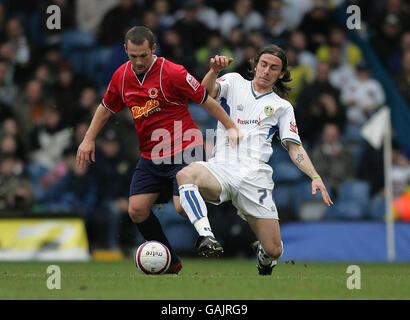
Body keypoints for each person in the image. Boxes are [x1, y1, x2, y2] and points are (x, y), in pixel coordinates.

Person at [76, 26, 241, 274]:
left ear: (153, 49)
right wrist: (88, 138)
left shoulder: (173, 72)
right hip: (151, 156)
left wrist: (231, 127)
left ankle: (211, 202)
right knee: (137, 210)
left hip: (186, 148)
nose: (139, 61)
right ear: (125, 51)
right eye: (133, 56)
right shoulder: (121, 76)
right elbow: (105, 107)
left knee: (181, 207)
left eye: (143, 55)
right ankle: (171, 261)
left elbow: (205, 99)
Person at [176, 45, 333, 275]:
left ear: (281, 74)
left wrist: (315, 176)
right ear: (255, 64)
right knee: (185, 174)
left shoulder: (282, 107)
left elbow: (294, 147)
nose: (267, 71)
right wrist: (213, 71)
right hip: (222, 168)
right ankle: (206, 236)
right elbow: (205, 93)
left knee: (274, 248)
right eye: (263, 64)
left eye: (274, 68)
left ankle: (264, 256)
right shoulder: (234, 82)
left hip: (255, 177)